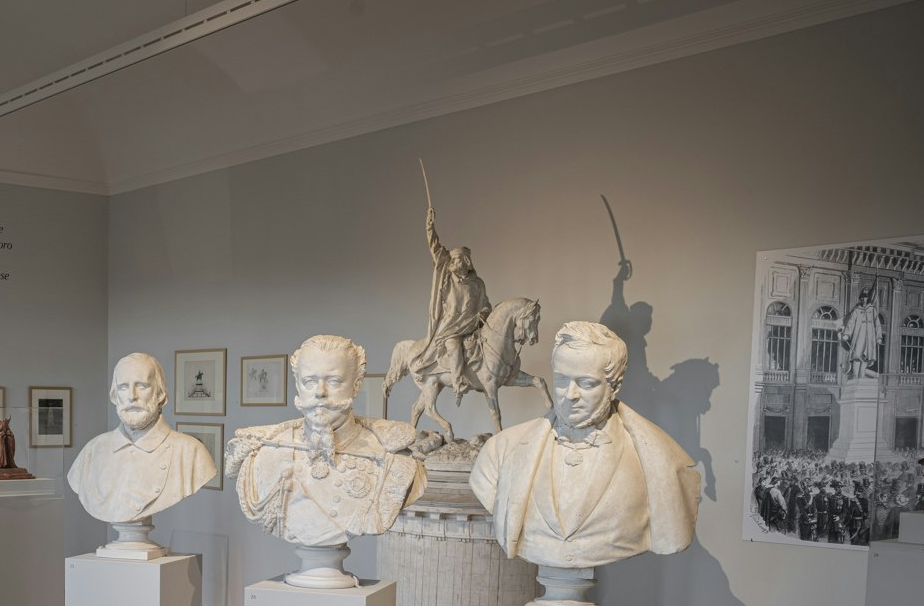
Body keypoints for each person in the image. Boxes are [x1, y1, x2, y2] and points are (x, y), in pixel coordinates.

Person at [471, 321, 700, 571]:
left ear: (615, 386)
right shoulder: (501, 450)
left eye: (587, 384)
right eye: (561, 380)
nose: (570, 395)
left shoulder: (660, 460)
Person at [228, 334, 427, 549]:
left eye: (333, 381)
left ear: (356, 386)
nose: (320, 393)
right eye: (309, 381)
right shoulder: (263, 454)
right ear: (298, 385)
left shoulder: (391, 460)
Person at [67, 353, 217, 525]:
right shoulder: (92, 451)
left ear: (160, 394)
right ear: (114, 396)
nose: (132, 396)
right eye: (123, 387)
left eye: (142, 386)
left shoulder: (191, 452)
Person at [409, 207, 490, 395]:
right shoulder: (447, 278)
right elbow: (436, 248)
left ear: (467, 262)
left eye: (457, 260)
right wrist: (430, 227)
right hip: (451, 328)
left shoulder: (477, 284)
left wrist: (483, 314)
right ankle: (458, 381)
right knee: (453, 346)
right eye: (451, 260)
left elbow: (486, 305)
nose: (452, 263)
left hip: (473, 326)